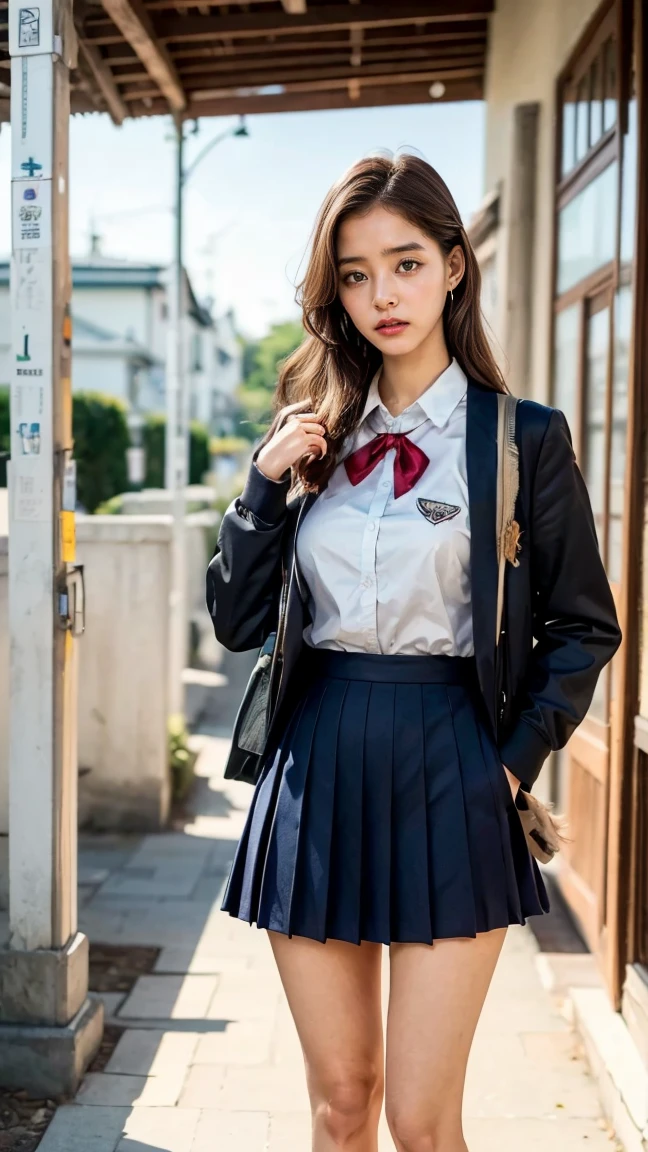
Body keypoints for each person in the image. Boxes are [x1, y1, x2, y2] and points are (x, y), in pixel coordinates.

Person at [206, 151, 621, 1152]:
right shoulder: (310, 437)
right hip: (317, 757)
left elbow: (584, 626)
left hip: (455, 763)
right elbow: (233, 619)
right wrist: (260, 492)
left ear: (452, 267)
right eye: (354, 274)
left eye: (403, 263)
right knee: (341, 1105)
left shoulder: (522, 439)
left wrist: (509, 766)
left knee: (421, 1121)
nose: (381, 294)